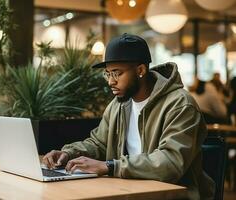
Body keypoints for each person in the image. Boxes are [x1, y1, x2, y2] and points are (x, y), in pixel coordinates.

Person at [43, 33, 215, 199]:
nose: (111, 81)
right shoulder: (118, 105)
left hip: (173, 195)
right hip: (130, 191)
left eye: (117, 73)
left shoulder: (180, 105)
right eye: (108, 74)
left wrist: (111, 166)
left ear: (140, 70)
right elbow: (99, 143)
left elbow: (171, 162)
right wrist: (68, 153)